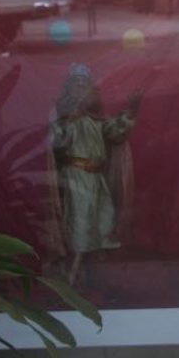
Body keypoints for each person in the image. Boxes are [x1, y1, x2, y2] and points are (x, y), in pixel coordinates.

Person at [50, 64, 142, 284]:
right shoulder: (62, 117)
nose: (81, 88)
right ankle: (71, 276)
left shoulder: (96, 119)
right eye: (76, 84)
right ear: (69, 89)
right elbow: (58, 143)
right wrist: (68, 118)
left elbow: (116, 132)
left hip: (97, 179)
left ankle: (91, 275)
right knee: (80, 223)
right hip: (76, 177)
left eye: (85, 84)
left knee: (102, 221)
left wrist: (131, 112)